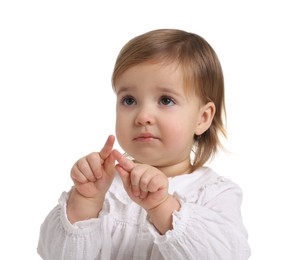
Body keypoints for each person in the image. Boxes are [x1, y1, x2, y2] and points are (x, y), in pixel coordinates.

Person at [37, 28, 251, 259]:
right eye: (129, 100)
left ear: (203, 118)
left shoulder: (215, 193)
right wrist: (85, 202)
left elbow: (226, 254)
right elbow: (53, 254)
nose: (143, 116)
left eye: (166, 100)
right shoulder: (103, 187)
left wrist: (162, 206)